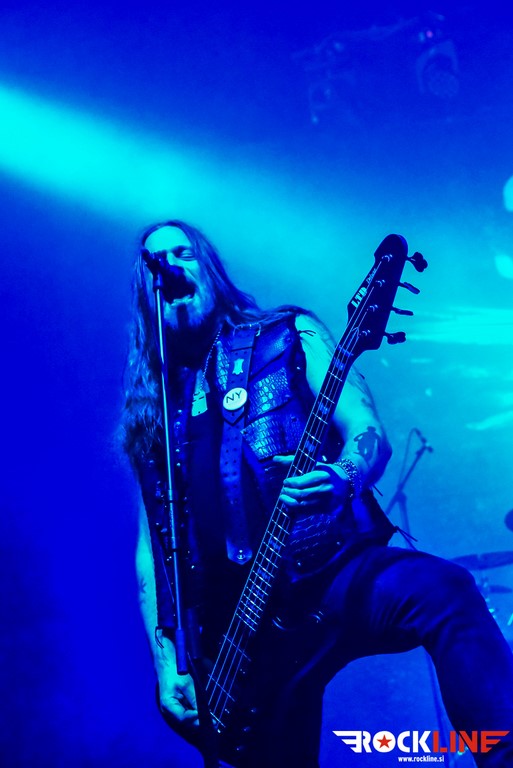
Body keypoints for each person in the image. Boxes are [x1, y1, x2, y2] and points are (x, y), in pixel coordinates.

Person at [121, 219, 513, 768]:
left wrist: (342, 476)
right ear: (146, 290)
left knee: (444, 591)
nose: (170, 266)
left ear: (209, 269)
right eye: (155, 262)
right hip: (243, 628)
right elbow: (152, 549)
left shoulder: (287, 336)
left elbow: (367, 431)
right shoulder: (155, 409)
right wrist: (167, 666)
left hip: (329, 572)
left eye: (184, 253)